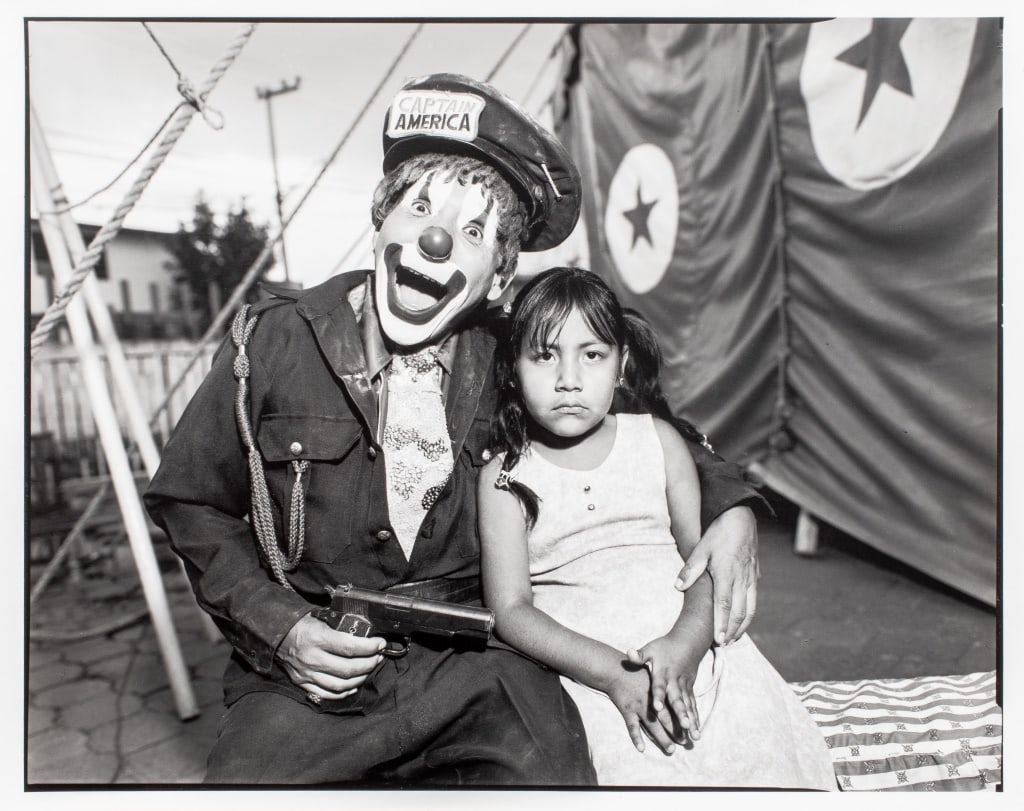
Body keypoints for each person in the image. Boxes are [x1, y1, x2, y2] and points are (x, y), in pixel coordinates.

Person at [145, 73, 764, 786]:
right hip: (312, 677)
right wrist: (279, 626)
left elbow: (636, 419)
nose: (437, 239)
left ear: (498, 276)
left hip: (479, 667)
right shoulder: (275, 342)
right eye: (420, 208)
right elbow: (189, 499)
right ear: (382, 221)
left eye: (475, 232)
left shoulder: (517, 352)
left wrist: (732, 505)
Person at [478, 267, 837, 788]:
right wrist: (612, 675)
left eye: (592, 355)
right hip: (589, 669)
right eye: (545, 354)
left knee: (756, 742)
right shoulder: (504, 476)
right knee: (624, 765)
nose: (568, 379)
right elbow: (510, 610)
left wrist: (686, 648)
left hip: (692, 647)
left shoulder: (658, 441)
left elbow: (704, 563)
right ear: (512, 369)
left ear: (621, 365)